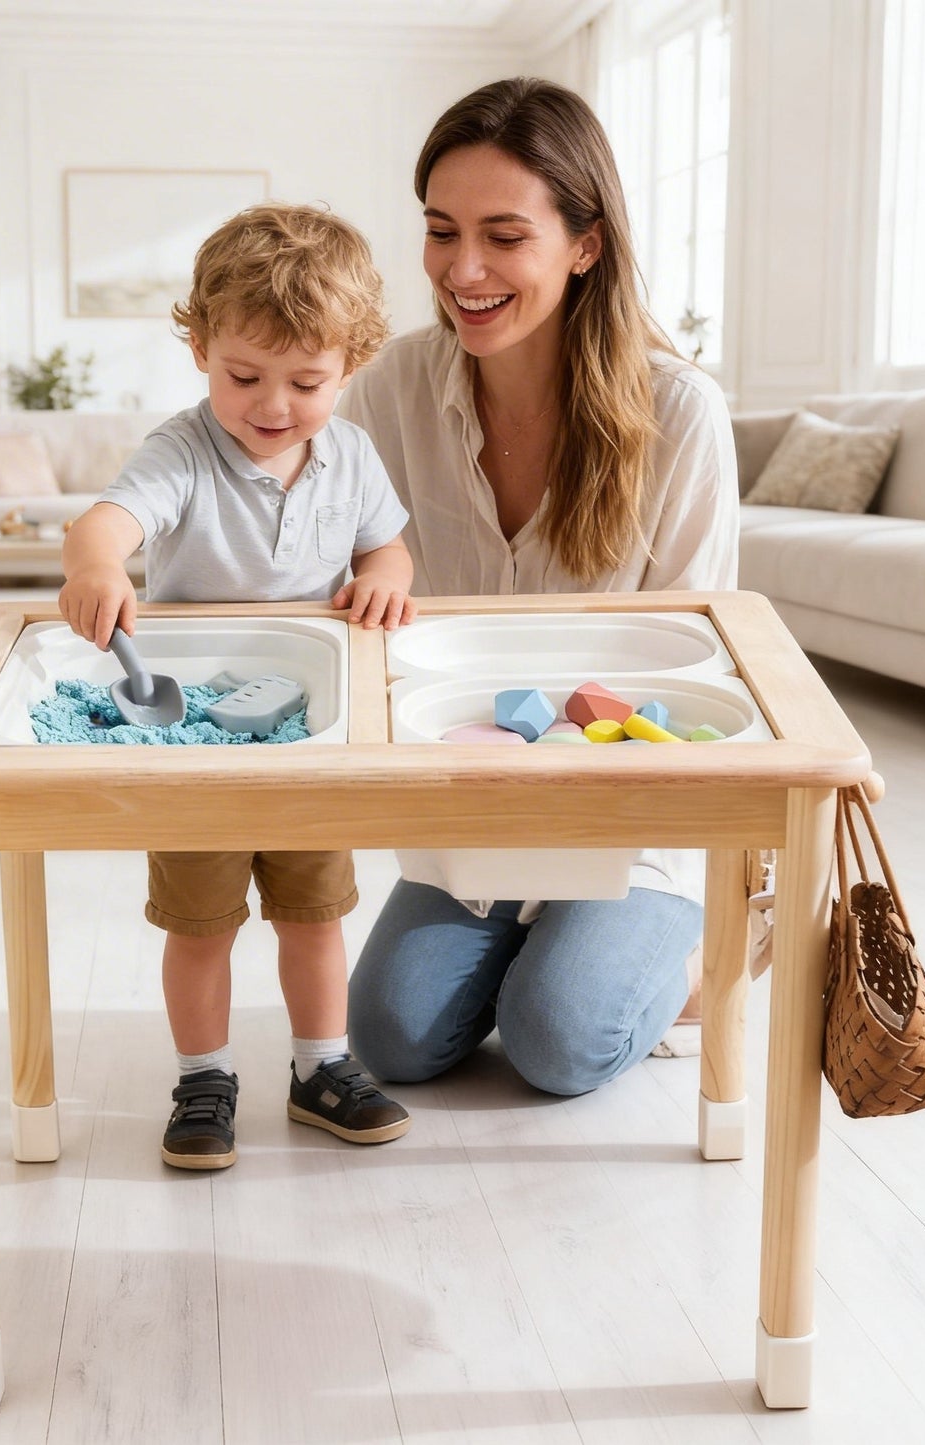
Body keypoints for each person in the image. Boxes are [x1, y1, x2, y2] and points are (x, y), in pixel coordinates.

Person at [340, 77, 739, 1097]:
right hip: (471, 811)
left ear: (585, 243)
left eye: (504, 236)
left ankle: (702, 948)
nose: (461, 270)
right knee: (392, 1039)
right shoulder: (387, 392)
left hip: (627, 813)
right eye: (440, 231)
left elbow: (698, 658)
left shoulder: (679, 412)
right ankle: (543, 943)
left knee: (557, 1042)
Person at [59, 202, 417, 1170]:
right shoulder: (182, 451)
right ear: (199, 350)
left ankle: (321, 1067)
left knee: (315, 913)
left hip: (310, 733)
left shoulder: (352, 455)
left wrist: (385, 577)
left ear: (351, 363)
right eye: (243, 375)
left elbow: (386, 547)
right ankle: (203, 1078)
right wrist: (96, 565)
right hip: (197, 743)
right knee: (200, 925)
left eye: (306, 381)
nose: (272, 405)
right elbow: (105, 523)